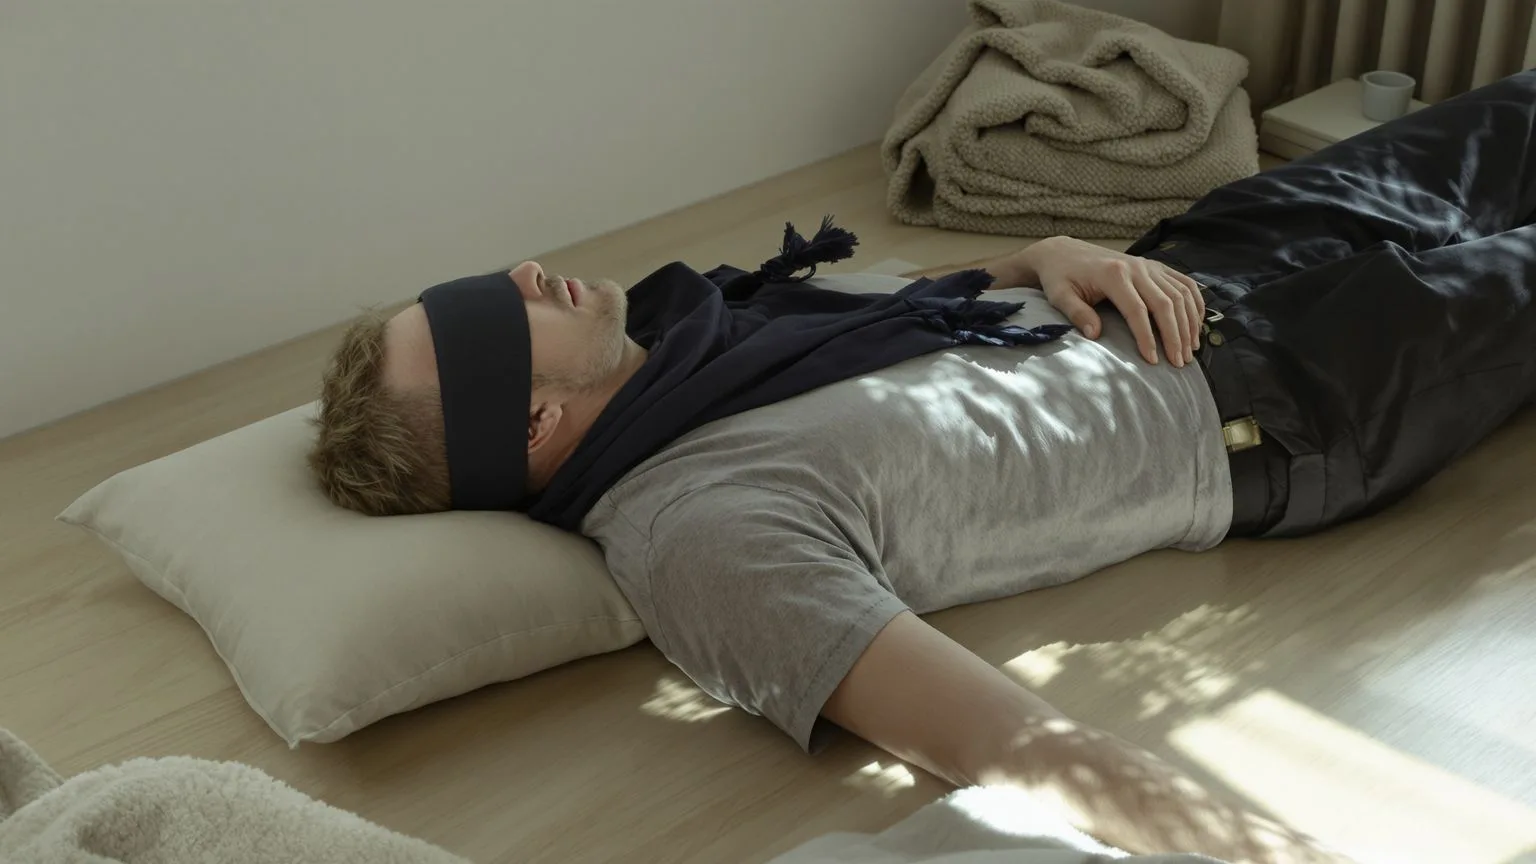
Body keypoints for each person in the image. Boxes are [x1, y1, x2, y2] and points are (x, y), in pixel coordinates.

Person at [307, 70, 1536, 863]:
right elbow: (1013, 744)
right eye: (489, 322)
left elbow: (939, 298)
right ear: (527, 429)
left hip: (1195, 266)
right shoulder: (694, 529)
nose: (521, 274)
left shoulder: (711, 331)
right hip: (1283, 400)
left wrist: (1054, 251)